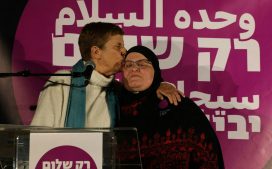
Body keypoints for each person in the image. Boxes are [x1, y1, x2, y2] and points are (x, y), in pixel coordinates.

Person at [30, 22, 181, 128]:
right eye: (118, 46)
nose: (124, 51)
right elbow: (39, 135)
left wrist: (164, 84)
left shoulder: (117, 89)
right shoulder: (63, 81)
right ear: (96, 52)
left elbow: (143, 96)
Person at [116, 45, 224, 169]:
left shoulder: (178, 106)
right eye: (128, 65)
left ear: (155, 71)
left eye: (142, 64)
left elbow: (209, 156)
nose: (134, 69)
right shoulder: (112, 104)